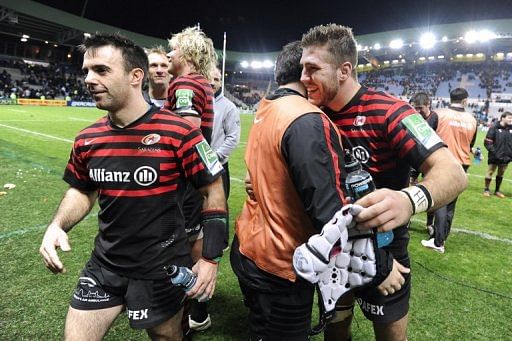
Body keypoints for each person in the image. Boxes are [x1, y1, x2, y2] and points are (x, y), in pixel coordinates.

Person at [38, 32, 227, 341]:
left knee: (167, 337)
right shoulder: (88, 138)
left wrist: (209, 259)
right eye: (86, 70)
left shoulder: (179, 132)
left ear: (135, 76)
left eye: (101, 70)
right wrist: (58, 225)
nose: (88, 78)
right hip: (105, 265)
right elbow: (82, 190)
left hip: (162, 267)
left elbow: (212, 190)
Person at [300, 24, 467, 340]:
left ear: (344, 70)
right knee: (335, 329)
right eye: (302, 69)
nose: (304, 78)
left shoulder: (391, 110)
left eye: (312, 69)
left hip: (384, 249)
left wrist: (408, 199)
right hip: (336, 247)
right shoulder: (311, 113)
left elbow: (453, 172)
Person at [231, 41, 349, 340]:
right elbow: (329, 211)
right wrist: (383, 267)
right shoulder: (306, 118)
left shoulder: (267, 105)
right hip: (282, 262)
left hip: (249, 244)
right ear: (306, 73)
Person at [164, 26, 218, 333]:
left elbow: (188, 130)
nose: (169, 54)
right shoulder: (199, 82)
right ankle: (197, 309)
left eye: (173, 49)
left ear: (187, 54)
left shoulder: (184, 83)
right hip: (197, 176)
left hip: (184, 179)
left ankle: (183, 315)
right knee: (194, 238)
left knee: (180, 244)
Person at [421, 88, 477, 253]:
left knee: (440, 200)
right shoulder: (472, 119)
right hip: (462, 163)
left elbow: (425, 135)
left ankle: (438, 242)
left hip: (442, 161)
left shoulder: (439, 114)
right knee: (451, 202)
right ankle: (441, 238)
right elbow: (471, 144)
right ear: (465, 100)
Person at [409, 92, 439, 236]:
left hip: (429, 159)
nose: (418, 111)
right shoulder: (413, 116)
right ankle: (407, 218)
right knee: (409, 188)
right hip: (414, 158)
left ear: (428, 105)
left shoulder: (435, 118)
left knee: (431, 190)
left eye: (421, 108)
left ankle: (429, 223)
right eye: (416, 108)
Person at [210, 66, 241, 200]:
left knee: (217, 209)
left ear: (220, 82)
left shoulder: (229, 107)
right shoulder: (195, 102)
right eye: (209, 78)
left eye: (216, 79)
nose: (212, 82)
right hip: (195, 165)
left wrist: (214, 157)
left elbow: (233, 138)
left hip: (218, 166)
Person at [483, 111, 512, 198]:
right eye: (509, 118)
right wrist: (494, 152)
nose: (511, 120)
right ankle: (486, 189)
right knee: (490, 172)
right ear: (503, 118)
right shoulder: (494, 127)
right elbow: (487, 142)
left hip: (506, 156)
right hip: (494, 155)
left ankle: (497, 191)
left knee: (501, 173)